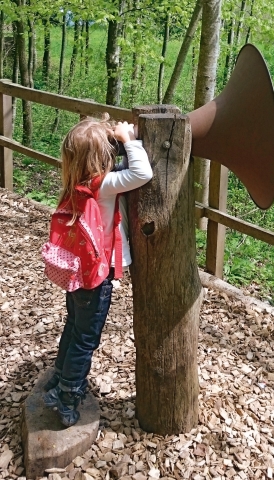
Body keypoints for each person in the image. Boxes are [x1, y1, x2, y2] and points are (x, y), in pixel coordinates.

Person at [43, 115, 152, 427]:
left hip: (76, 273)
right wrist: (129, 141)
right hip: (95, 277)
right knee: (85, 341)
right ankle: (67, 397)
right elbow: (142, 172)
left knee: (74, 328)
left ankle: (57, 380)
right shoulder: (103, 186)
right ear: (102, 157)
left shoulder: (76, 181)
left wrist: (112, 135)